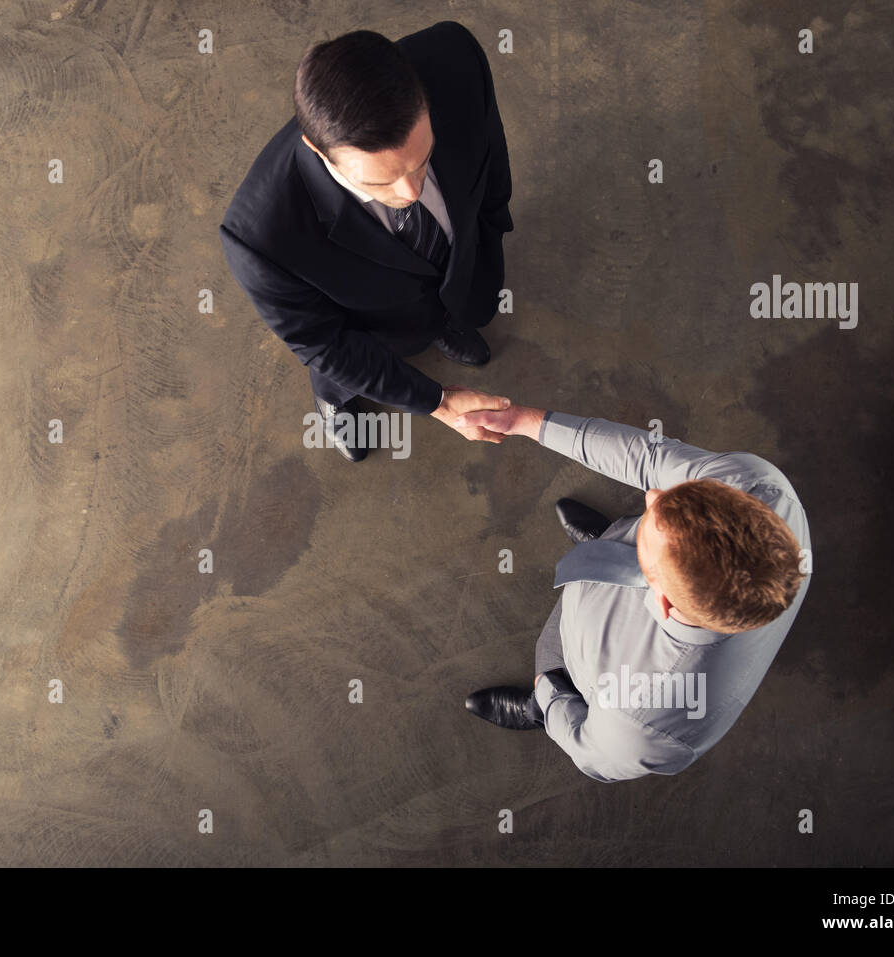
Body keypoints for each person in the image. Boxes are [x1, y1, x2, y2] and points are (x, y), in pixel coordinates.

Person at [456, 403, 811, 783]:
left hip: (573, 666)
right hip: (626, 575)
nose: (652, 495)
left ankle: (536, 710)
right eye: (671, 501)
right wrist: (522, 421)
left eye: (649, 536)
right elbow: (649, 457)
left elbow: (588, 749)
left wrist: (551, 695)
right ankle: (606, 544)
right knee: (623, 535)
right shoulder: (759, 488)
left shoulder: (643, 729)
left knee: (550, 667)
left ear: (661, 600)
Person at [220, 22, 515, 461]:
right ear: (321, 154)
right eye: (382, 181)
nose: (411, 193)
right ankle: (335, 400)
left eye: (421, 162)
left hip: (453, 271)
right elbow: (325, 344)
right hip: (366, 325)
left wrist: (489, 235)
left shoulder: (457, 60)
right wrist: (437, 401)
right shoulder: (260, 237)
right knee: (342, 365)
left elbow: (491, 163)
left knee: (449, 303)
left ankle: (442, 322)